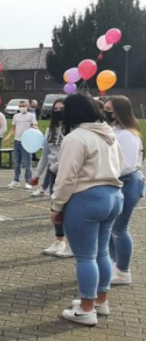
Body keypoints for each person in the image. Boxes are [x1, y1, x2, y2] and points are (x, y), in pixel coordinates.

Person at [51, 93, 123, 326]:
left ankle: (86, 308)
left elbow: (66, 176)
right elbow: (120, 164)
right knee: (101, 252)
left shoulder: (76, 137)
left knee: (85, 256)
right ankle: (100, 301)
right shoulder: (108, 134)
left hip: (87, 198)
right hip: (112, 195)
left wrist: (57, 205)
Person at [104, 96, 144, 286]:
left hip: (127, 182)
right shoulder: (114, 130)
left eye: (109, 110)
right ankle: (114, 264)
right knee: (111, 228)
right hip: (116, 181)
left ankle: (123, 270)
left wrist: (103, 173)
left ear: (120, 111)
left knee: (120, 228)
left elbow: (127, 165)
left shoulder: (128, 134)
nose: (106, 113)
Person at [29, 99, 73, 258]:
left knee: (69, 209)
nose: (59, 111)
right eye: (56, 108)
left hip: (68, 173)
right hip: (54, 173)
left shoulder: (73, 129)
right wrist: (36, 175)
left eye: (62, 108)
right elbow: (46, 155)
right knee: (55, 208)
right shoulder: (50, 130)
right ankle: (59, 239)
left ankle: (71, 243)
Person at [5, 99, 37, 189]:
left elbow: (34, 126)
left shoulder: (31, 116)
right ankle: (16, 180)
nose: (22, 108)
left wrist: (35, 131)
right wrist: (8, 136)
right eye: (20, 106)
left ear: (27, 106)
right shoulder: (16, 116)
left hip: (26, 142)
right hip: (17, 141)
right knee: (17, 162)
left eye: (23, 106)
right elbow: (13, 128)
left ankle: (28, 181)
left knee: (27, 163)